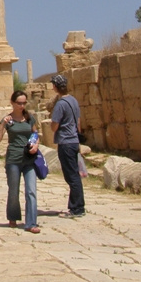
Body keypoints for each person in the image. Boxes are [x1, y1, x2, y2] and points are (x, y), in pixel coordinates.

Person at [0, 90, 40, 233]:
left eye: (24, 103)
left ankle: (31, 223)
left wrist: (36, 145)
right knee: (13, 190)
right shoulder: (8, 119)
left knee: (31, 190)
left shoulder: (29, 118)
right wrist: (2, 125)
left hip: (29, 158)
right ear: (13, 103)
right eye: (19, 103)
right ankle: (13, 217)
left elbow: (35, 133)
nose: (22, 106)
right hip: (13, 159)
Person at [50, 74, 85, 218]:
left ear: (55, 87)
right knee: (74, 175)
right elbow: (79, 123)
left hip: (65, 142)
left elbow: (54, 126)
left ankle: (77, 208)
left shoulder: (60, 104)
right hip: (74, 140)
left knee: (71, 176)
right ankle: (75, 206)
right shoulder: (74, 101)